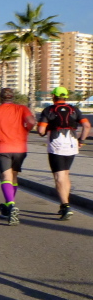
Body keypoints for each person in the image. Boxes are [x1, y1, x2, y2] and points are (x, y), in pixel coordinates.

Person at [0, 87, 37, 226]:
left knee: (6, 177)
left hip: (2, 148)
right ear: (13, 97)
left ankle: (11, 205)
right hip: (20, 148)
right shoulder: (22, 109)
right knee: (13, 177)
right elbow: (32, 122)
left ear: (0, 98)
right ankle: (9, 205)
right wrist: (26, 130)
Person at [37, 86, 91, 220]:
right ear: (65, 97)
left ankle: (66, 206)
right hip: (72, 142)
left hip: (56, 143)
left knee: (59, 176)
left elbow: (41, 130)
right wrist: (81, 140)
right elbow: (87, 126)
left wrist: (45, 130)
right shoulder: (74, 109)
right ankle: (64, 204)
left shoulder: (49, 110)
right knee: (66, 174)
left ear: (53, 97)